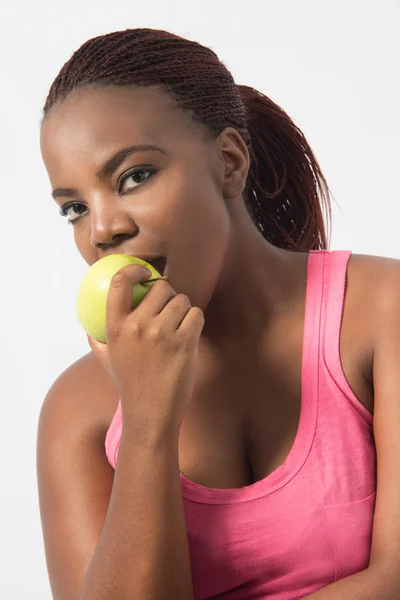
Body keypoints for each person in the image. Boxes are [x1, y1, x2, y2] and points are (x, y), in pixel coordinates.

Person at [36, 28, 400, 600]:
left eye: (134, 177)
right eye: (76, 208)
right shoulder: (78, 412)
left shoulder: (383, 312)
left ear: (229, 163)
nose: (103, 230)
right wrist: (148, 420)